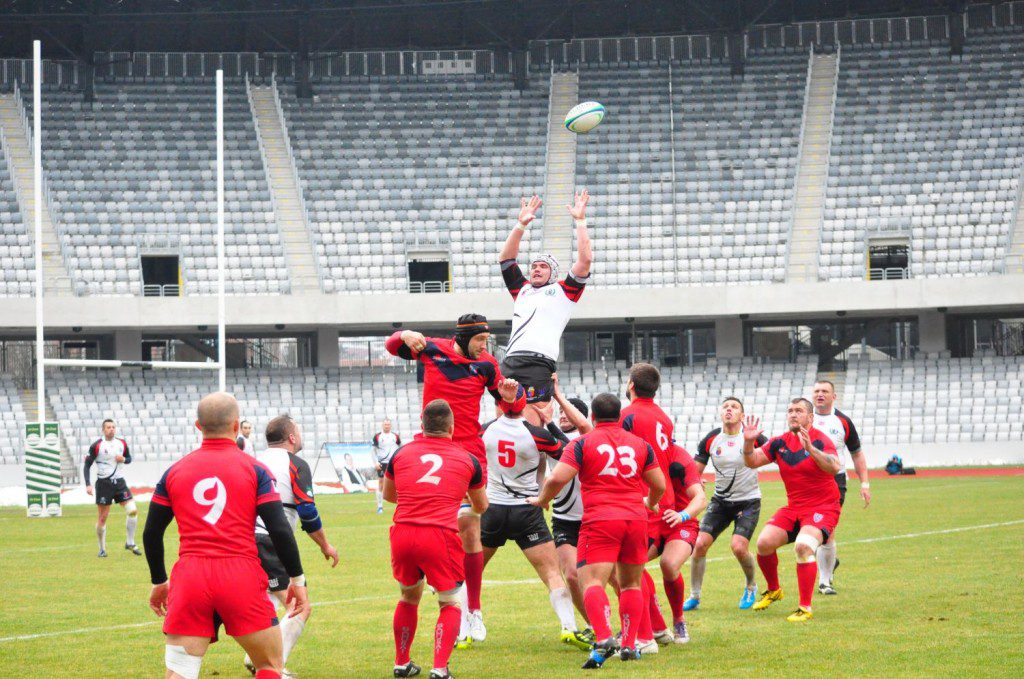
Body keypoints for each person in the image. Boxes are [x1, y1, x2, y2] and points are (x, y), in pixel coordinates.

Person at [142, 392, 308, 679]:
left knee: (180, 671)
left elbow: (151, 533)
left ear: (198, 426)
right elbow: (279, 529)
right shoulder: (255, 470)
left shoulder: (174, 472)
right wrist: (297, 580)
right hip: (239, 575)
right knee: (269, 665)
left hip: (191, 577)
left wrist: (159, 580)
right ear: (236, 426)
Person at [385, 314, 525, 644]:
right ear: (463, 338)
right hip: (432, 444)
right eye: (479, 340)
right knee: (430, 522)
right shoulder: (431, 350)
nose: (484, 345)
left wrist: (510, 396)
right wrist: (406, 332)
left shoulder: (488, 365)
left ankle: (471, 612)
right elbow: (391, 346)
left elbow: (515, 406)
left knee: (470, 528)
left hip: (469, 453)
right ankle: (442, 588)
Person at [529, 393, 665, 668]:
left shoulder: (582, 442)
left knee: (590, 581)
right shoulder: (640, 445)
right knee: (630, 584)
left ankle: (603, 637)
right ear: (619, 417)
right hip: (635, 519)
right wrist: (650, 502)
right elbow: (659, 484)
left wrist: (543, 499)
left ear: (592, 417)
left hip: (601, 519)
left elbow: (557, 477)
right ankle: (629, 645)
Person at [474, 396, 591, 651]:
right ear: (526, 408)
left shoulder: (485, 429)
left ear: (500, 406)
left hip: (493, 508)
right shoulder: (536, 434)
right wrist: (549, 423)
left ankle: (465, 629)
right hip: (527, 509)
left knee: (471, 572)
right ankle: (569, 627)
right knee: (552, 574)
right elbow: (566, 450)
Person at [384, 400, 489, 679]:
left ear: (422, 425)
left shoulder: (400, 453)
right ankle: (440, 668)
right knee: (450, 602)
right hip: (439, 534)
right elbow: (481, 506)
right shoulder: (467, 459)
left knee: (408, 597)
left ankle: (401, 662)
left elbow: (389, 495)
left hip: (403, 532)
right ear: (452, 427)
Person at [245, 415, 339, 676]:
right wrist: (325, 545)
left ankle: (257, 657)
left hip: (243, 540)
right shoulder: (295, 464)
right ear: (292, 438)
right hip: (270, 540)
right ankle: (272, 665)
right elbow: (307, 513)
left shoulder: (252, 462)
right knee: (299, 605)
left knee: (264, 603)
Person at [742, 399, 842, 622]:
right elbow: (752, 461)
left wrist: (811, 449)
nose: (793, 414)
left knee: (804, 547)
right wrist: (748, 443)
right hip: (794, 507)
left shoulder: (820, 439)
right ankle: (774, 590)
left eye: (799, 411)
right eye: (790, 411)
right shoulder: (780, 442)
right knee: (764, 543)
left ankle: (805, 607)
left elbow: (834, 467)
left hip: (823, 507)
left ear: (810, 417)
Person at [498, 191, 593, 423]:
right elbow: (506, 259)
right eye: (534, 266)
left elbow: (585, 261)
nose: (536, 269)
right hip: (512, 360)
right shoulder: (522, 289)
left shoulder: (564, 291)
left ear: (553, 272)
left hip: (539, 363)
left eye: (543, 266)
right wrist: (520, 225)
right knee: (502, 420)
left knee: (533, 425)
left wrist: (580, 221)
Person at [685, 397, 768, 611]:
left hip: (748, 501)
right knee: (700, 544)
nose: (729, 410)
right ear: (721, 413)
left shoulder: (754, 437)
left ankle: (751, 585)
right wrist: (696, 481)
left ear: (742, 415)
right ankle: (694, 596)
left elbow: (776, 455)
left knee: (739, 547)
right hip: (721, 501)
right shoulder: (711, 439)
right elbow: (695, 470)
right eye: (726, 407)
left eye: (734, 407)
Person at [619, 363, 678, 648]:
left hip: (639, 500)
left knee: (627, 571)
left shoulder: (627, 416)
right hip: (662, 500)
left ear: (631, 384)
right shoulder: (664, 418)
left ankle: (642, 636)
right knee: (636, 569)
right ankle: (656, 628)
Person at [811, 380, 871, 595]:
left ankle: (825, 581)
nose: (820, 395)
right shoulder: (804, 418)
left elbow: (856, 453)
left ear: (833, 396)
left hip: (834, 482)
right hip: (807, 483)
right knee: (810, 530)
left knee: (826, 530)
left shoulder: (843, 422)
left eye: (824, 391)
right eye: (816, 391)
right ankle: (829, 562)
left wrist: (864, 483)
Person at [545, 375, 594, 626]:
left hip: (593, 519)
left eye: (568, 413)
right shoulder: (548, 437)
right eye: (561, 414)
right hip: (565, 519)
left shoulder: (588, 438)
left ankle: (641, 624)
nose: (563, 417)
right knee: (572, 575)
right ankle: (594, 625)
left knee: (616, 577)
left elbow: (568, 447)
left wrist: (549, 422)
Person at [657, 443, 707, 644]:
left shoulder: (679, 457)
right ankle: (650, 621)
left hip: (680, 522)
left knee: (668, 564)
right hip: (650, 521)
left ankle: (679, 620)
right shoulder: (638, 450)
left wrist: (682, 515)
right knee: (627, 565)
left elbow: (701, 498)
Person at [84, 419, 140, 557]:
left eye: (113, 427)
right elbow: (87, 465)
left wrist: (124, 460)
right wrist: (88, 484)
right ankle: (102, 549)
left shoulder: (122, 443)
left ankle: (130, 542)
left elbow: (129, 458)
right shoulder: (97, 445)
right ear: (103, 430)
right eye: (108, 427)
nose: (112, 429)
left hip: (120, 483)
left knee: (132, 511)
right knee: (102, 518)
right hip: (104, 484)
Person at [372, 419, 402, 514]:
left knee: (398, 483)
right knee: (381, 483)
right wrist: (376, 462)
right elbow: (373, 450)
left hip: (393, 462)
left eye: (388, 424)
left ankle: (400, 505)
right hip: (382, 463)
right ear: (382, 425)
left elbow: (401, 448)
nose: (387, 426)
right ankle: (380, 507)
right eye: (385, 424)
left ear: (390, 426)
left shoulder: (395, 436)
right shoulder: (377, 437)